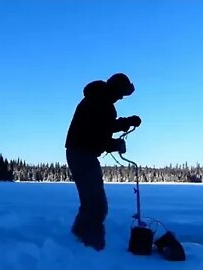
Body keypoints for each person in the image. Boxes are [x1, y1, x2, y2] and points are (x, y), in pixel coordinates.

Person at [65, 73, 142, 251]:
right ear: (115, 89)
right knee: (97, 205)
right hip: (82, 154)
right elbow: (95, 135)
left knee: (90, 202)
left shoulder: (99, 100)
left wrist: (126, 122)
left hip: (81, 154)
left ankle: (78, 237)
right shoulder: (100, 103)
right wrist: (114, 144)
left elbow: (104, 126)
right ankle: (93, 247)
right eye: (122, 93)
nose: (121, 97)